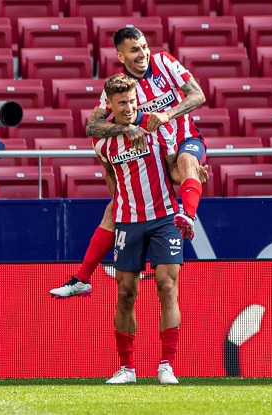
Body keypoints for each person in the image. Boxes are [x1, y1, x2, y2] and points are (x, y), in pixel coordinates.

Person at [49, 26, 207, 299]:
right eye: (134, 50)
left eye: (144, 46)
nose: (143, 53)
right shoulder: (121, 87)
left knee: (186, 161)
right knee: (115, 209)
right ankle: (81, 279)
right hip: (154, 154)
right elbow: (93, 125)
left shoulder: (165, 62)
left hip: (184, 139)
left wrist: (168, 113)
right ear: (121, 56)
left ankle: (188, 217)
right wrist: (125, 129)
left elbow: (198, 95)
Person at [92, 73, 183, 384]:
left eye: (132, 101)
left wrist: (192, 175)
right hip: (128, 221)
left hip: (165, 216)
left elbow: (173, 170)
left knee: (166, 286)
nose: (129, 107)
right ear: (111, 105)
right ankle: (127, 368)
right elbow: (110, 178)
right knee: (126, 292)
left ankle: (167, 365)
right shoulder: (103, 141)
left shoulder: (158, 128)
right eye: (122, 103)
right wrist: (119, 206)